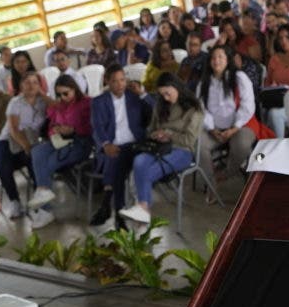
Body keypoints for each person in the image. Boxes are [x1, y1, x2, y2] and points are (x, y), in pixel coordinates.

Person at [120, 73, 205, 225]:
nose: (165, 98)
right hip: (159, 147)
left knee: (147, 172)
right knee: (139, 161)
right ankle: (143, 208)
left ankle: (142, 207)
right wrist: (156, 134)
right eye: (162, 94)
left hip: (183, 151)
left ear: (177, 87)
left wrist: (169, 134)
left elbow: (189, 140)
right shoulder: (161, 105)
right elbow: (150, 130)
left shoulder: (194, 108)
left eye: (168, 93)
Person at [25, 74, 93, 229]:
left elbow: (92, 127)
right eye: (59, 94)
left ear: (74, 90)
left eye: (66, 93)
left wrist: (74, 130)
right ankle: (44, 192)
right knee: (37, 152)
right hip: (60, 141)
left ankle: (45, 206)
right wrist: (55, 130)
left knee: (48, 163)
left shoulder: (86, 103)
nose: (63, 97)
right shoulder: (58, 106)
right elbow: (50, 126)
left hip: (80, 143)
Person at [90, 64, 148, 228]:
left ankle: (109, 205)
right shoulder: (98, 102)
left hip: (134, 145)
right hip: (113, 146)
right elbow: (97, 128)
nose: (120, 84)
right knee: (116, 161)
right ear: (107, 82)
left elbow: (153, 108)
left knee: (116, 162)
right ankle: (118, 213)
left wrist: (143, 94)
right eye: (115, 81)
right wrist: (106, 144)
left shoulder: (133, 96)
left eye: (123, 80)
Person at [0, 70, 48, 220]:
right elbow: (14, 129)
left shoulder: (43, 102)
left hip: (31, 140)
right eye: (27, 83)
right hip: (8, 139)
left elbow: (57, 107)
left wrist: (42, 94)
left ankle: (40, 202)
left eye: (35, 82)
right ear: (21, 85)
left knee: (34, 161)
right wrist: (26, 146)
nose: (31, 86)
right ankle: (14, 201)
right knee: (3, 165)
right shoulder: (15, 102)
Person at [197, 45, 258, 179]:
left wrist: (234, 129)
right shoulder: (204, 82)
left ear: (227, 60)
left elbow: (247, 105)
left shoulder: (239, 77)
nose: (216, 60)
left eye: (220, 57)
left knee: (241, 144)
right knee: (198, 143)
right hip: (215, 128)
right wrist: (212, 128)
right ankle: (210, 182)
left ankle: (226, 174)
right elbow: (202, 108)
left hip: (242, 125)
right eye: (213, 57)